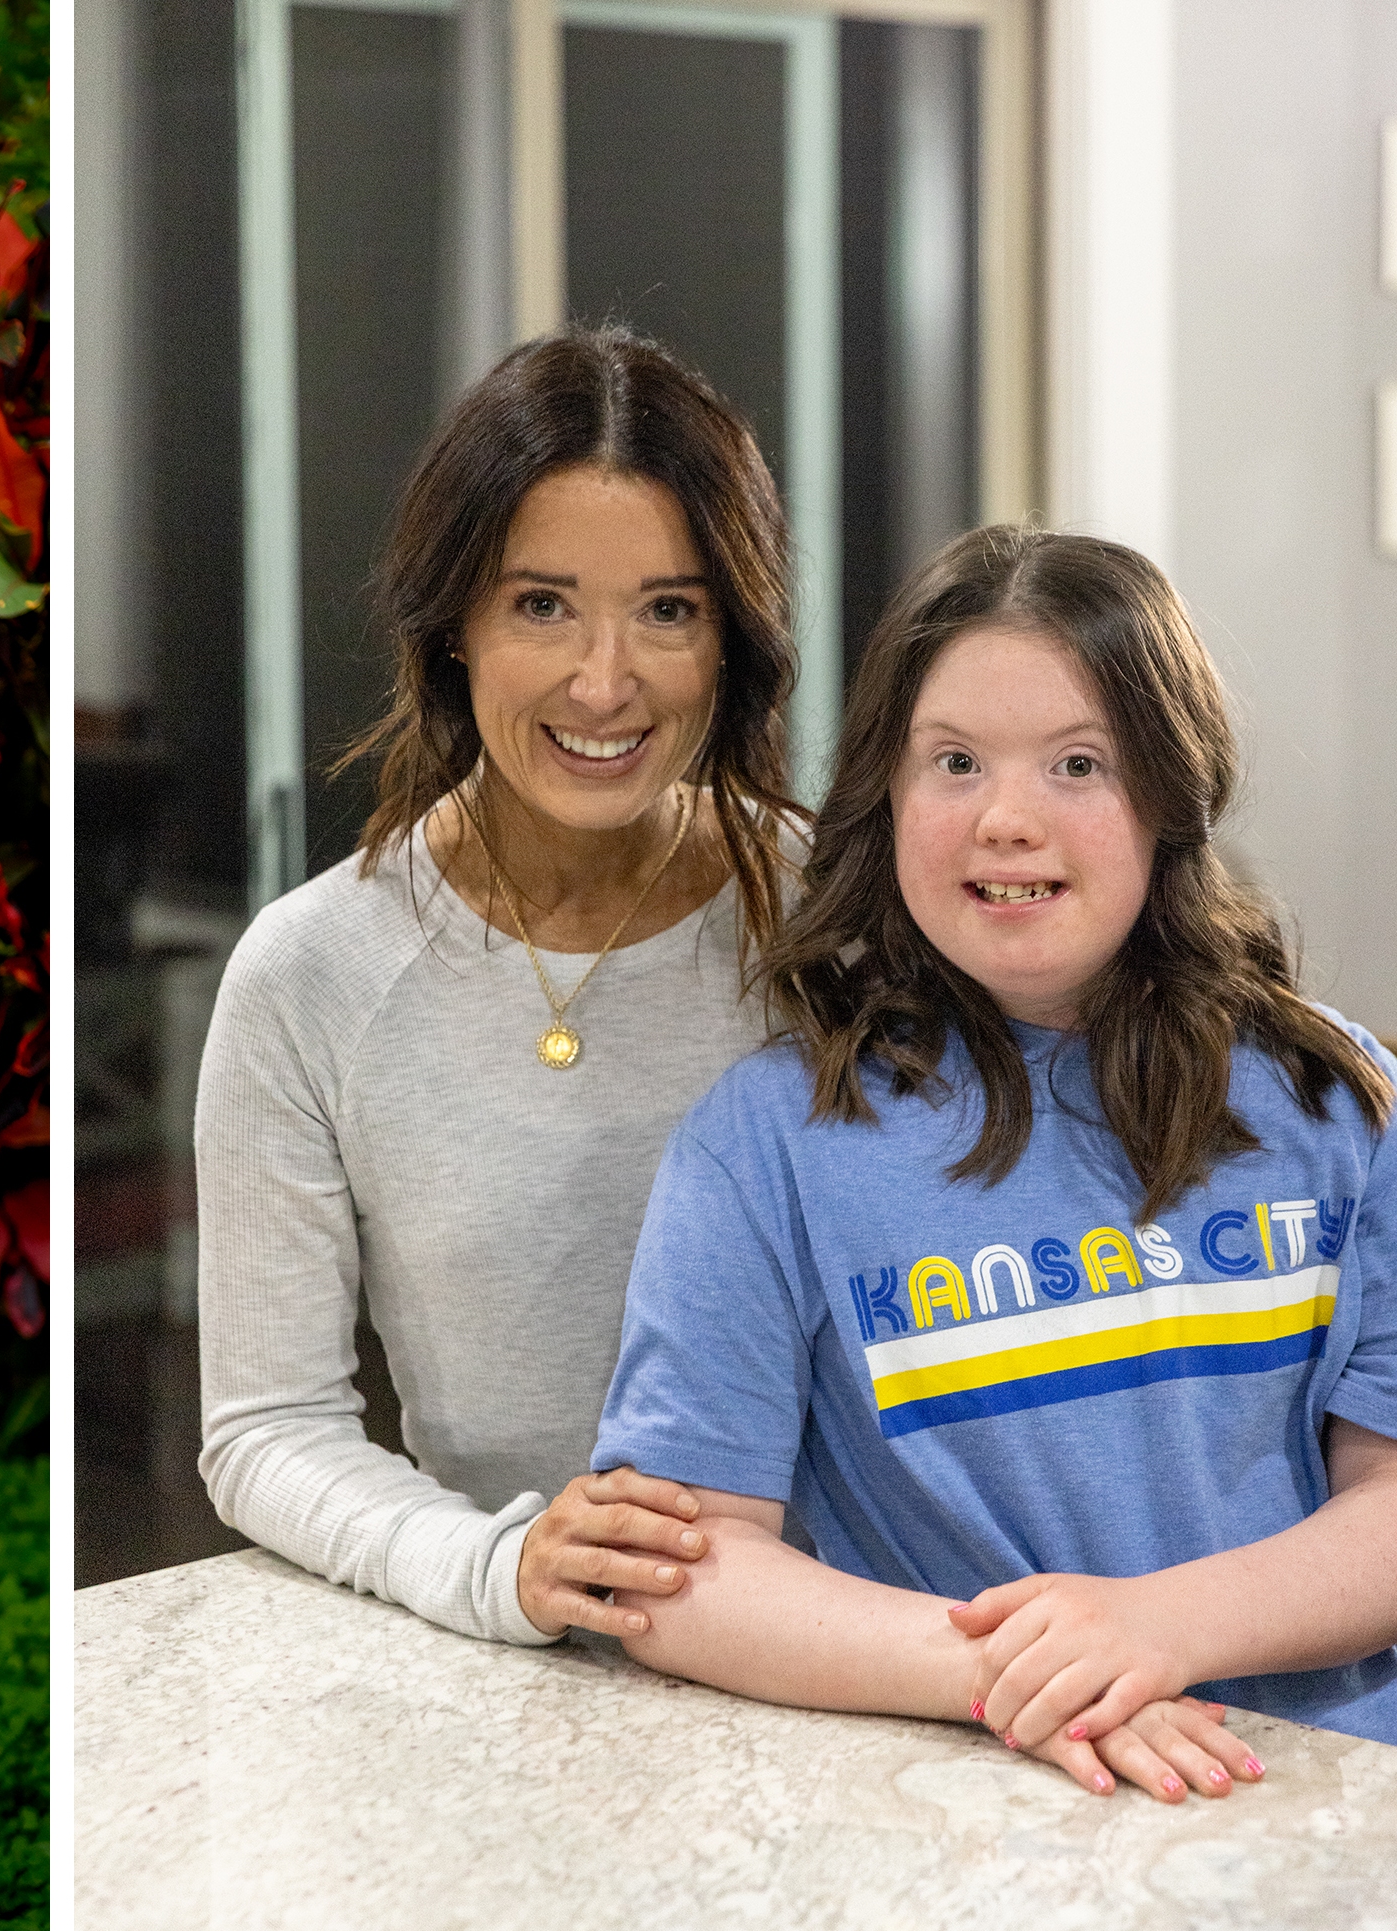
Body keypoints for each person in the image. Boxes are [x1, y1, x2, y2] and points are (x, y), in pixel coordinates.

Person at [594, 524, 1397, 1802]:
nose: (1008, 819)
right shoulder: (765, 1146)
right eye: (954, 762)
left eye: (1080, 763)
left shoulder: (1339, 1097)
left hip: (1327, 1796)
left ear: (1169, 794)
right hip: (974, 1800)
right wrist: (1018, 1672)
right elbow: (683, 1576)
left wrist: (1158, 1627)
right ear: (886, 796)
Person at [194, 328, 803, 1648]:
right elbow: (264, 1431)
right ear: (453, 626)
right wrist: (490, 1565)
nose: (603, 680)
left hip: (850, 1645)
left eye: (666, 610)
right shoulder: (307, 976)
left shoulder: (835, 927)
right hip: (507, 1675)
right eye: (540, 605)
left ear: (730, 639)